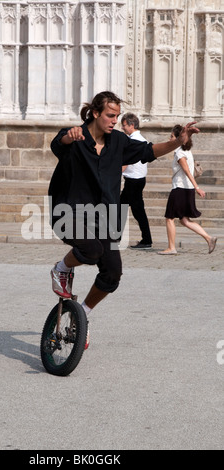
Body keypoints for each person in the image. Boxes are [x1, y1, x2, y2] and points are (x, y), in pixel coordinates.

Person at [49, 91, 199, 348]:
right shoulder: (74, 136)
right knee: (91, 249)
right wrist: (67, 137)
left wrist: (178, 142)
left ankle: (84, 312)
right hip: (69, 211)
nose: (114, 121)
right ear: (95, 113)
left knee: (113, 274)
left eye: (117, 116)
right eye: (110, 115)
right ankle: (61, 268)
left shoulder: (119, 142)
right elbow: (58, 142)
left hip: (105, 215)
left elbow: (150, 150)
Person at [158, 124, 217, 255]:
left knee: (169, 218)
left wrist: (197, 187)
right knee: (184, 220)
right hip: (186, 189)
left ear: (179, 137)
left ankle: (171, 247)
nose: (170, 138)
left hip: (180, 188)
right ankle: (209, 238)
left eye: (172, 136)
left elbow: (187, 172)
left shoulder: (179, 152)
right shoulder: (187, 151)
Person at [120, 112, 152, 249]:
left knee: (136, 210)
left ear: (132, 125)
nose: (122, 128)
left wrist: (116, 173)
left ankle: (146, 240)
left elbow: (127, 160)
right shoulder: (139, 138)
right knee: (122, 208)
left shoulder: (135, 140)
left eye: (124, 125)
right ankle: (116, 236)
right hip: (135, 180)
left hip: (134, 180)